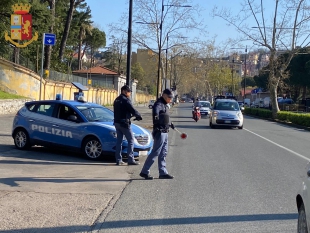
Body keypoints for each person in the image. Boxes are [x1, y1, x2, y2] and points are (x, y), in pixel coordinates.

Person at [139, 89, 175, 180]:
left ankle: (163, 172)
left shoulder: (165, 105)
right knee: (156, 152)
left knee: (163, 152)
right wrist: (156, 116)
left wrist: (170, 123)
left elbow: (165, 117)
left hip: (165, 131)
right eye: (169, 97)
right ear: (164, 95)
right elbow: (156, 111)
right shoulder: (159, 104)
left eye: (171, 98)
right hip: (160, 132)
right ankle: (144, 171)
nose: (170, 99)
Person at [113, 85, 142, 166]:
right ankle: (130, 159)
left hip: (116, 123)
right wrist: (138, 115)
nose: (129, 93)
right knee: (131, 140)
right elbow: (132, 109)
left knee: (119, 141)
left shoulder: (117, 100)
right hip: (124, 124)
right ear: (124, 91)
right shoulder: (126, 100)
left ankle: (118, 160)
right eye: (128, 91)